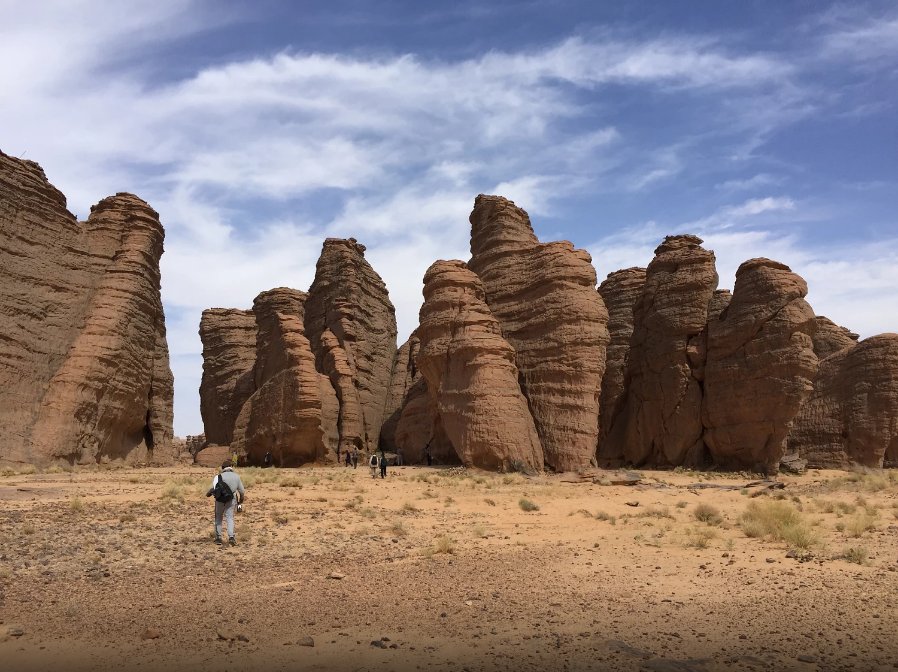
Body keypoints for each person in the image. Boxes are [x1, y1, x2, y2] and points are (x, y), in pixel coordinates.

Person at [206, 461, 245, 546]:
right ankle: (231, 537)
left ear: (223, 468)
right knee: (230, 517)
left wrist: (208, 494)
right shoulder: (236, 476)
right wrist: (240, 501)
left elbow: (213, 488)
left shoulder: (218, 477)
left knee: (218, 518)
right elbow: (242, 491)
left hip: (219, 499)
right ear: (231, 467)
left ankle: (218, 538)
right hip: (231, 499)